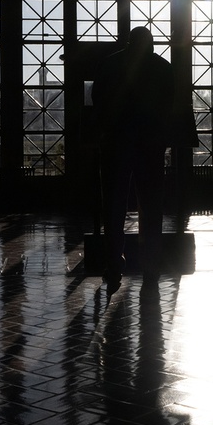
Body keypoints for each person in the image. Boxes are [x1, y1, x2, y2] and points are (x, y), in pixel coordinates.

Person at [92, 27, 174, 296]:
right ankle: (151, 264)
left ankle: (114, 264)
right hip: (149, 145)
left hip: (116, 144)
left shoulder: (110, 65)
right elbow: (171, 105)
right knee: (151, 207)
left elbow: (98, 101)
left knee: (113, 207)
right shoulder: (162, 67)